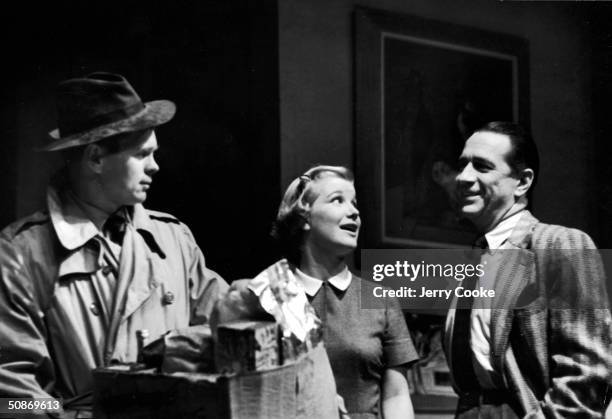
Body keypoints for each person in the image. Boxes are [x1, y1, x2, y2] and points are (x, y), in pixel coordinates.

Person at [0, 72, 228, 416]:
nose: (155, 166)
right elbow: (8, 395)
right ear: (95, 158)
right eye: (142, 154)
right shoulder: (21, 254)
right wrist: (56, 412)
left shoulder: (173, 240)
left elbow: (227, 328)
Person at [216, 165, 418, 419]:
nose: (354, 212)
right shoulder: (268, 292)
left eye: (355, 203)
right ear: (304, 216)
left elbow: (396, 395)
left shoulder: (380, 299)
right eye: (338, 201)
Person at [444, 121, 612, 417]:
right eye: (462, 165)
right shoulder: (475, 260)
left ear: (522, 182)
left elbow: (587, 374)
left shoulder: (561, 244)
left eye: (482, 167)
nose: (463, 177)